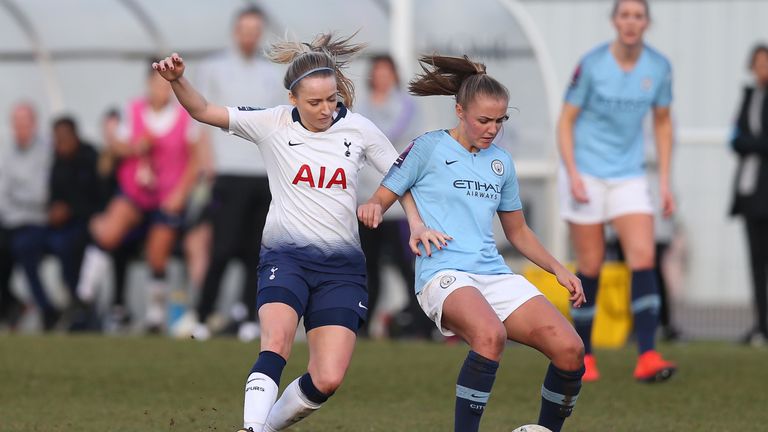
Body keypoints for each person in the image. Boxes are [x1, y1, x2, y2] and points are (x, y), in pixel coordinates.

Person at [153, 32, 423, 432]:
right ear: (293, 98)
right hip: (286, 258)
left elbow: (400, 174)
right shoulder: (272, 123)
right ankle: (251, 427)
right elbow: (204, 110)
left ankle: (263, 428)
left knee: (328, 377)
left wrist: (413, 221)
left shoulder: (360, 130)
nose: (326, 109)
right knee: (276, 342)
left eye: (332, 99)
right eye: (314, 102)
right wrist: (177, 80)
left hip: (342, 268)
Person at [359, 54, 586, 432]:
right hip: (442, 273)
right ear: (460, 111)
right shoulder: (429, 147)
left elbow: (518, 232)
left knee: (570, 349)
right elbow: (383, 196)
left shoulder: (502, 163)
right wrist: (372, 208)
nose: (492, 129)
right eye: (484, 120)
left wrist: (560, 269)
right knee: (489, 336)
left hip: (493, 274)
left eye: (500, 121)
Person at [557, 0, 676, 382]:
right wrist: (573, 173)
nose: (631, 22)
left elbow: (662, 123)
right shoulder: (591, 64)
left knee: (643, 257)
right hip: (586, 172)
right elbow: (566, 121)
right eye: (624, 15)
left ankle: (647, 355)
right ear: (614, 21)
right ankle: (584, 356)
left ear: (647, 22)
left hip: (629, 175)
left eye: (638, 15)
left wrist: (665, 181)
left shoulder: (658, 67)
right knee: (591, 266)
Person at [77, 60, 200, 332]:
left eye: (167, 85)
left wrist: (181, 193)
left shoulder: (184, 116)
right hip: (134, 191)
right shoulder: (132, 110)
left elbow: (195, 160)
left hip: (167, 196)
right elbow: (117, 147)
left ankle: (155, 316)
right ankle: (82, 296)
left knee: (158, 255)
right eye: (157, 84)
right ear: (148, 83)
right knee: (108, 233)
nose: (162, 90)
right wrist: (133, 147)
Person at [190, 5, 285, 342]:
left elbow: (278, 125)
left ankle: (247, 315)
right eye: (245, 29)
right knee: (221, 248)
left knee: (255, 251)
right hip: (227, 173)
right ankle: (202, 314)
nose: (249, 36)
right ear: (235, 31)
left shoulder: (271, 73)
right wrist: (208, 168)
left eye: (255, 30)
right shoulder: (213, 67)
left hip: (261, 173)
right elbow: (199, 120)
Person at [355, 54, 431, 338]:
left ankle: (421, 322)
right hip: (365, 201)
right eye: (378, 72)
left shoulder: (407, 107)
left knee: (406, 267)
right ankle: (363, 325)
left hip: (397, 204)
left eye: (388, 72)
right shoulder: (360, 108)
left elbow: (399, 143)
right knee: (367, 267)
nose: (382, 77)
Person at [0, 102, 58, 330]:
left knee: (25, 250)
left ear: (34, 124)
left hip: (36, 222)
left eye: (25, 123)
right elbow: (3, 193)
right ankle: (12, 304)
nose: (20, 129)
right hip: (9, 220)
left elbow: (41, 195)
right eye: (16, 124)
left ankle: (47, 310)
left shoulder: (46, 152)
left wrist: (17, 193)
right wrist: (18, 196)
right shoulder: (7, 153)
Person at [729, 43, 768, 346]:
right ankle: (761, 325)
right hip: (752, 193)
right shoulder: (748, 96)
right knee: (756, 263)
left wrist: (751, 142)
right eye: (758, 63)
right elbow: (736, 138)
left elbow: (748, 140)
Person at [47, 116, 101, 302]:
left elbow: (99, 198)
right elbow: (53, 197)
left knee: (73, 247)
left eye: (64, 137)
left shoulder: (91, 157)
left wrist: (70, 210)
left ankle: (83, 303)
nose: (60, 143)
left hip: (89, 223)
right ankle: (73, 299)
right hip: (63, 227)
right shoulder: (56, 162)